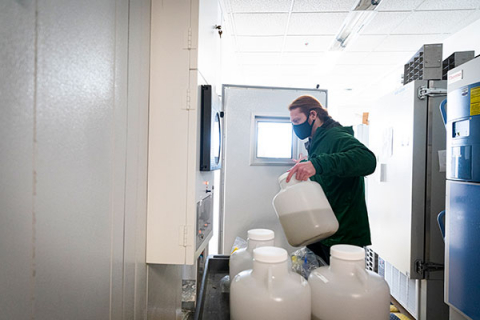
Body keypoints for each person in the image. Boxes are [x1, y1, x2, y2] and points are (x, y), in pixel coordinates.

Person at [286, 95, 376, 264]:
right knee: (321, 284)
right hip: (324, 229)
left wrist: (317, 164)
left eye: (297, 120)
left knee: (341, 288)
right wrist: (308, 165)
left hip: (343, 233)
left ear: (313, 115)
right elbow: (330, 169)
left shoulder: (335, 136)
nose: (295, 126)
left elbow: (367, 160)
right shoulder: (317, 141)